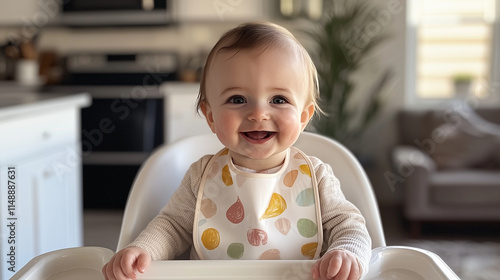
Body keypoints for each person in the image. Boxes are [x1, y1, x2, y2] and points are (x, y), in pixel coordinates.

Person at [102, 21, 371, 280]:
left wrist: (346, 252)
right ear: (210, 116)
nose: (258, 113)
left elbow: (350, 227)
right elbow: (173, 226)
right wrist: (143, 250)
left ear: (303, 117)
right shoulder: (202, 176)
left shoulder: (316, 177)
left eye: (278, 99)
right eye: (237, 99)